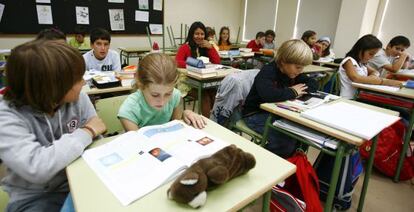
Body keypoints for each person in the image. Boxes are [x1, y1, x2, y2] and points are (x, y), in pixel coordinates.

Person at [0, 40, 106, 212]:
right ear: (52, 87)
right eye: (78, 79)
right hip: (36, 197)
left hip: (81, 180)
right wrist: (86, 132)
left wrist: (91, 134)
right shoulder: (6, 116)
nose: (83, 83)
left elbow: (97, 139)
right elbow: (37, 167)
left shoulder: (78, 98)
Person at [242, 39, 317, 158]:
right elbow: (269, 95)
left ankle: (291, 162)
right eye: (298, 67)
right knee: (285, 141)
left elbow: (312, 84)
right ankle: (266, 163)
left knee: (302, 137)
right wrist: (293, 91)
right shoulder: (268, 72)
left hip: (276, 113)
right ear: (283, 61)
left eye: (302, 67)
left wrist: (296, 91)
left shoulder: (293, 73)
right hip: (254, 114)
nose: (300, 71)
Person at [118, 53, 206, 131]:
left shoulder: (175, 95)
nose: (162, 102)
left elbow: (175, 127)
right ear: (141, 85)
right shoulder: (129, 110)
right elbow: (139, 144)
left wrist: (185, 114)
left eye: (168, 94)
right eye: (155, 95)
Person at [175, 21, 221, 117]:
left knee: (215, 94)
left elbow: (217, 62)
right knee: (205, 97)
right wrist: (193, 64)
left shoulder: (205, 46)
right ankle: (207, 123)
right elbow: (177, 62)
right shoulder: (185, 47)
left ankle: (215, 119)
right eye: (196, 34)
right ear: (192, 34)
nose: (199, 36)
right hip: (187, 82)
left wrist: (211, 48)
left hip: (203, 80)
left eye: (202, 34)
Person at [339, 34, 402, 99]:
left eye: (374, 54)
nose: (372, 57)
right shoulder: (349, 61)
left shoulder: (362, 63)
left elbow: (375, 71)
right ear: (360, 49)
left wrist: (373, 76)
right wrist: (383, 81)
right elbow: (356, 78)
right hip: (348, 98)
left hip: (359, 96)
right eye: (371, 54)